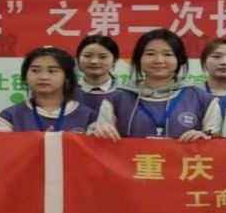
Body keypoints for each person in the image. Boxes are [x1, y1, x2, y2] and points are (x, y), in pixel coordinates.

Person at [90, 29, 219, 141]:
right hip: (133, 162)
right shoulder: (117, 98)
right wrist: (100, 131)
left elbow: (217, 145)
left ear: (179, 59)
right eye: (150, 54)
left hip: (184, 163)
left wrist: (205, 137)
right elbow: (100, 143)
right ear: (139, 59)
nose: (159, 60)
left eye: (168, 54)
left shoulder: (203, 100)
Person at [0, 47, 98, 133]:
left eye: (52, 71)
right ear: (25, 75)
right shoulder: (10, 116)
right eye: (35, 70)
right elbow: (3, 152)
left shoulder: (89, 116)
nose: (43, 77)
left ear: (67, 76)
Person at [74, 35, 120, 110]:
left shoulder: (126, 94)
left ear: (114, 60)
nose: (94, 61)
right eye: (87, 56)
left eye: (103, 57)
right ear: (78, 58)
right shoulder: (67, 93)